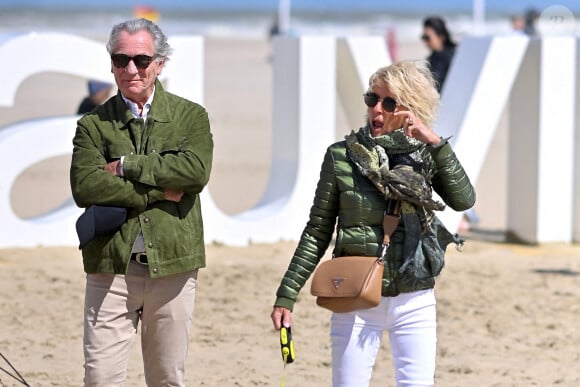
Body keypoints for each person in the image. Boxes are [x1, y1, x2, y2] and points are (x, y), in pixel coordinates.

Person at [271, 60, 475, 386]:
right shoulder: (341, 156)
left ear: (411, 108)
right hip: (354, 294)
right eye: (372, 99)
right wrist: (287, 294)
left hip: (414, 296)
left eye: (389, 102)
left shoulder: (426, 155)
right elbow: (318, 229)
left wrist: (435, 143)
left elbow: (464, 200)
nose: (377, 109)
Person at [70, 18, 213, 386]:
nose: (131, 69)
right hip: (109, 267)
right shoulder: (92, 124)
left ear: (160, 63)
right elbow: (85, 186)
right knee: (100, 379)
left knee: (166, 378)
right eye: (121, 60)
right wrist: (155, 190)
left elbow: (195, 173)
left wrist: (128, 166)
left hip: (173, 269)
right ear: (111, 64)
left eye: (141, 60)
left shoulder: (190, 116)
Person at [421, 16, 457, 92]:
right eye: (423, 37)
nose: (425, 41)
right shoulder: (432, 57)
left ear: (441, 36)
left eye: (427, 37)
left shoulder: (451, 57)